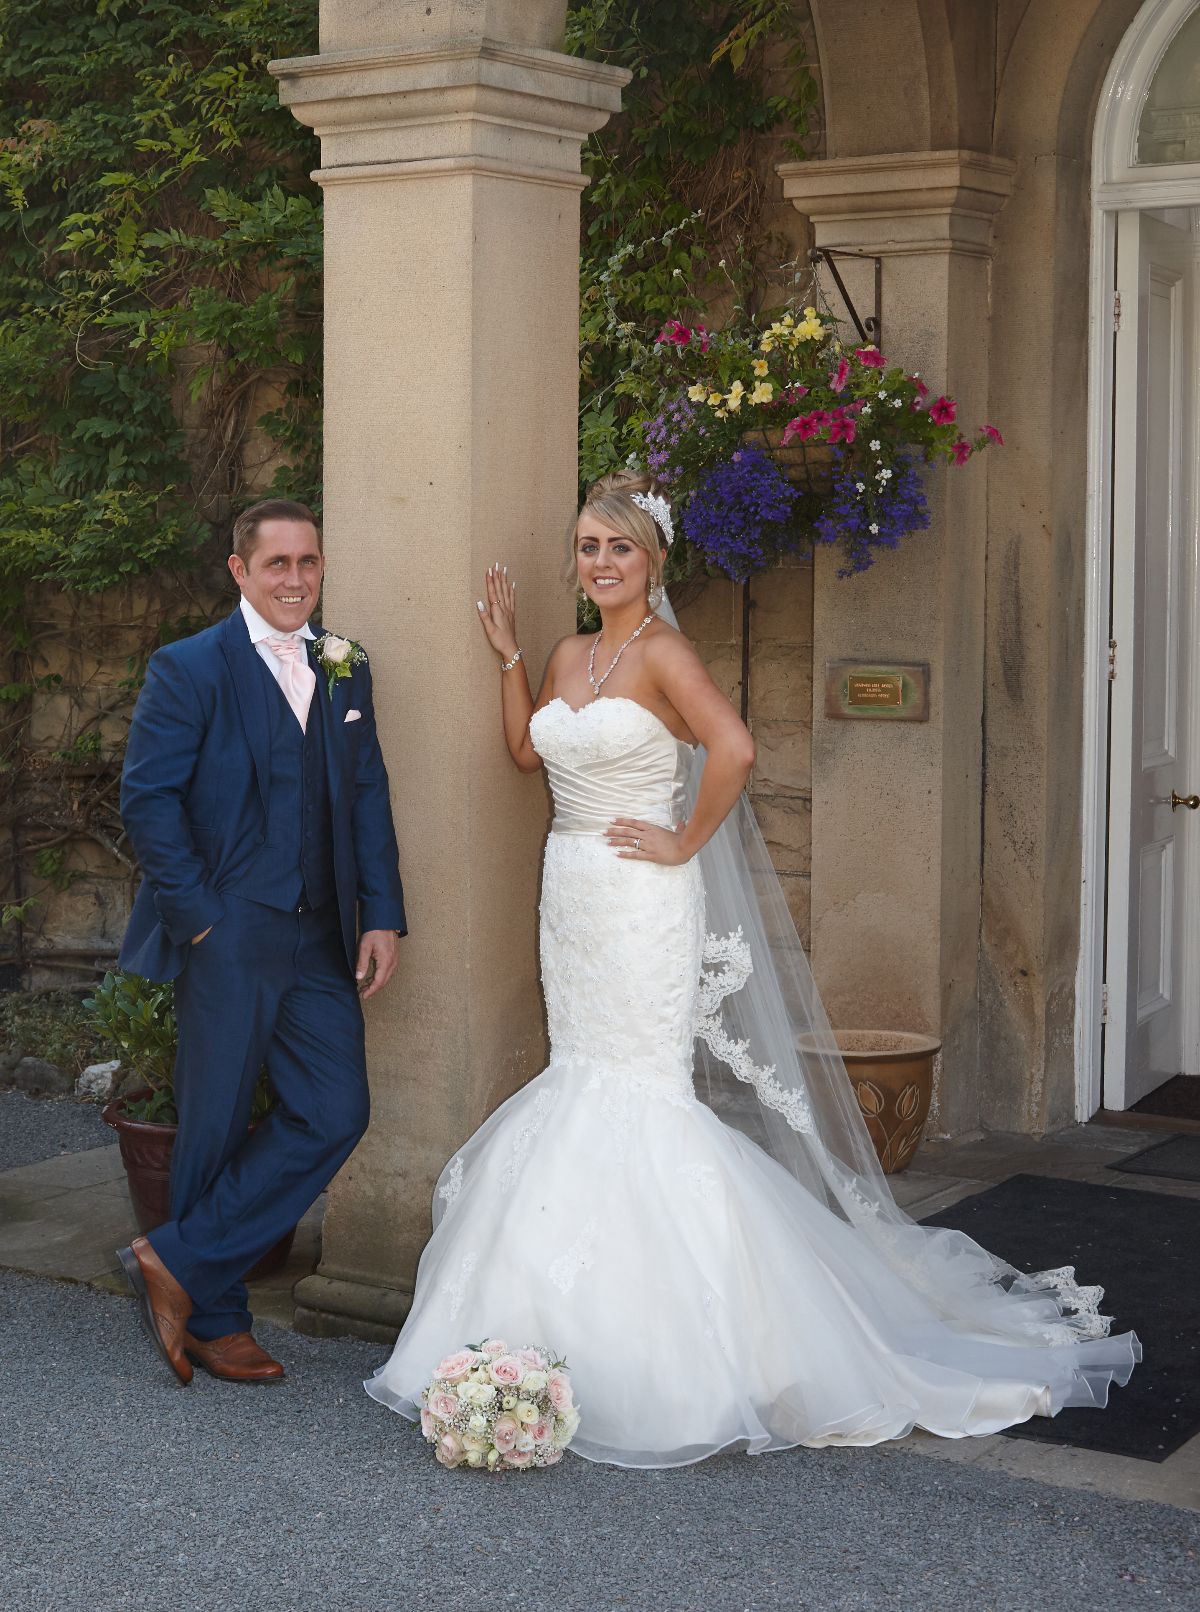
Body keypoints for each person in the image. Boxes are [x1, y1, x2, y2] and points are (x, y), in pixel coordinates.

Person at [365, 469, 1138, 1467]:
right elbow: (526, 753)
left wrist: (684, 841)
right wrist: (512, 658)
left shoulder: (664, 653)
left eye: (620, 548)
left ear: (654, 561)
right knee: (581, 1071)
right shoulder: (568, 652)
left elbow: (733, 747)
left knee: (640, 1088)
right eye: (590, 548)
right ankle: (555, 1331)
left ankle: (687, 1348)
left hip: (643, 898)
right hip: (573, 896)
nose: (602, 563)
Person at [117, 498, 406, 1385]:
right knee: (212, 1121)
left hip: (320, 931)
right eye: (277, 563)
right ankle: (215, 1317)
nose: (295, 578)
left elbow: (366, 794)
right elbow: (148, 799)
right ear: (240, 570)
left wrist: (381, 912)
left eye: (307, 562)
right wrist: (201, 917)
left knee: (335, 1109)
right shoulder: (188, 666)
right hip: (229, 927)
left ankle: (176, 1259)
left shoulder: (345, 665)